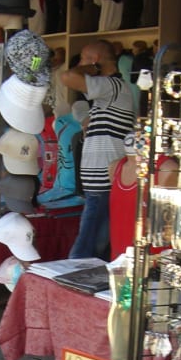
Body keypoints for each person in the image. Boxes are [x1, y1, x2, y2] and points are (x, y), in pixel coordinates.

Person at [60, 40, 135, 259]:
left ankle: (73, 289)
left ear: (94, 61)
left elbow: (66, 77)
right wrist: (86, 120)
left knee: (85, 249)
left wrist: (89, 69)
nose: (79, 64)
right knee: (95, 244)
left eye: (83, 59)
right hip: (99, 183)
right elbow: (79, 106)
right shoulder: (108, 93)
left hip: (103, 182)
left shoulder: (113, 86)